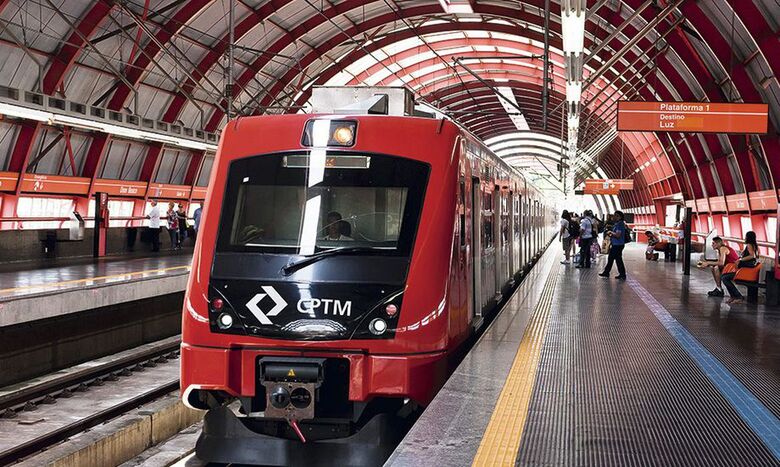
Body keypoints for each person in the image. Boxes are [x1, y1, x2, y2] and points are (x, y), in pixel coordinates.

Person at [719, 232, 759, 304]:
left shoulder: (749, 245)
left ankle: (738, 296)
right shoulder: (755, 246)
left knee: (724, 278)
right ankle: (733, 296)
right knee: (724, 277)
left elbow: (752, 256)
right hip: (745, 270)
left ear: (748, 237)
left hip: (745, 271)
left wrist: (740, 260)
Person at [599, 210, 627, 280]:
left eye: (615, 215)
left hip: (618, 245)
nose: (613, 217)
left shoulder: (620, 224)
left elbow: (618, 235)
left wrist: (610, 232)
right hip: (616, 244)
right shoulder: (618, 224)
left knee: (616, 259)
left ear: (619, 217)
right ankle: (608, 272)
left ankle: (621, 274)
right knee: (613, 259)